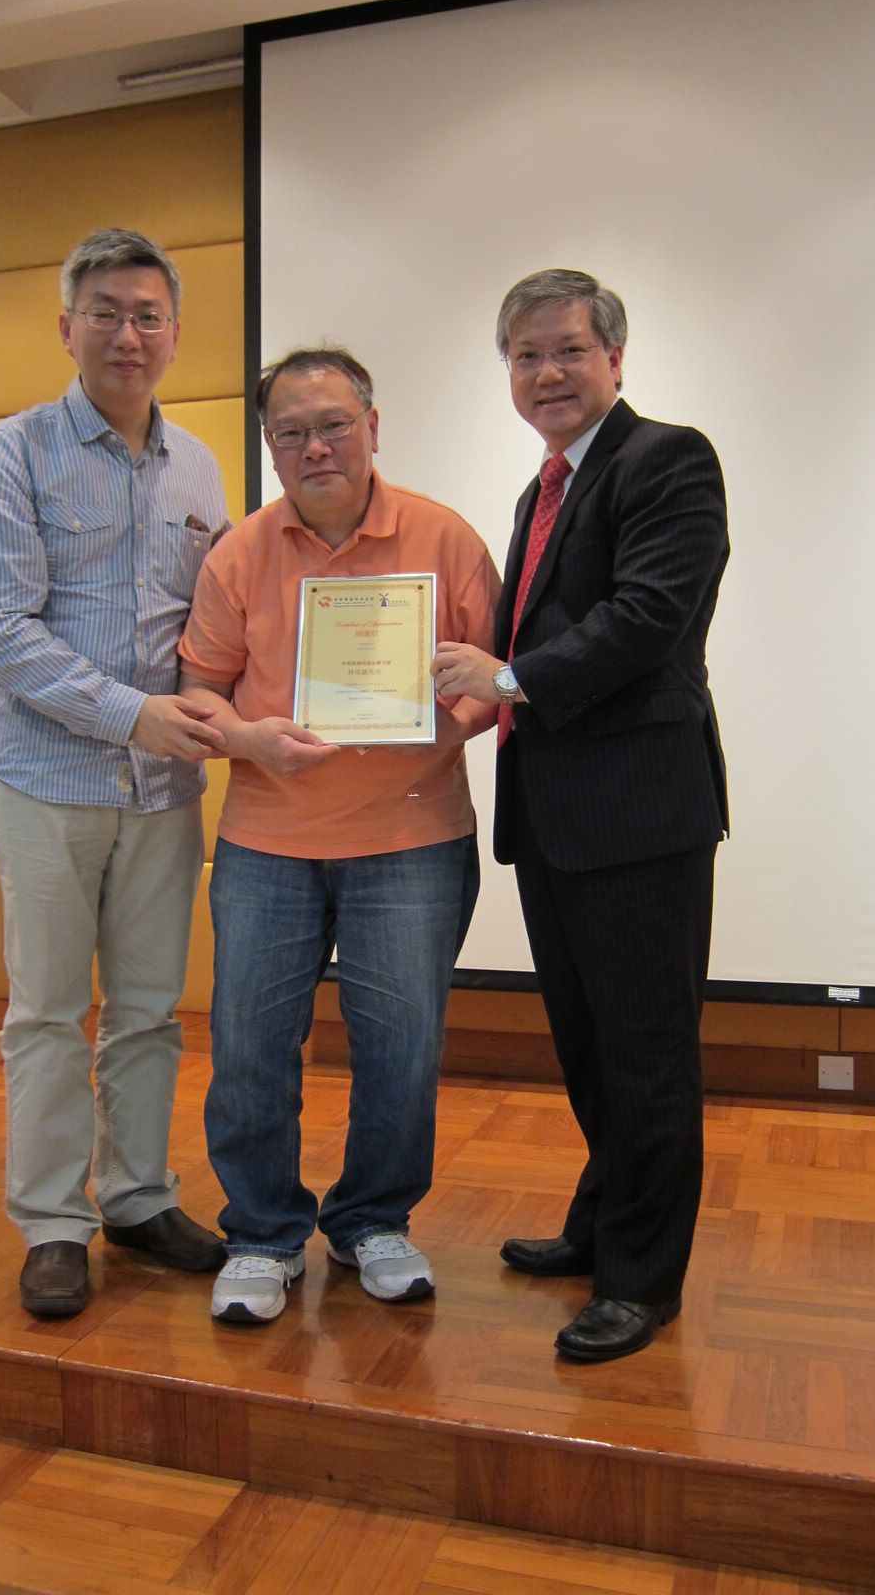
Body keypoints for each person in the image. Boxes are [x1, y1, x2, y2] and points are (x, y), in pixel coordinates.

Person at [431, 268, 729, 1362]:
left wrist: (507, 679)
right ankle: (604, 1224)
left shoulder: (668, 459)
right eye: (525, 356)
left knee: (648, 1053)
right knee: (591, 1044)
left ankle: (642, 1282)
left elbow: (647, 618)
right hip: (558, 814)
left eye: (567, 349)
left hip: (640, 814)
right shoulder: (543, 488)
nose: (546, 372)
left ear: (615, 357)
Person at [178, 347, 500, 1324]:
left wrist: (449, 719)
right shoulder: (239, 554)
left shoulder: (443, 537)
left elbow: (498, 675)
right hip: (266, 841)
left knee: (401, 1047)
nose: (314, 446)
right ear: (270, 446)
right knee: (249, 1046)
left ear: (372, 427)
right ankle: (264, 1232)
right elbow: (200, 688)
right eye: (291, 432)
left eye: (333, 425)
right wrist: (247, 741)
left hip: (411, 836)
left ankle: (373, 1220)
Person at [0, 227, 229, 1318]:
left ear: (175, 333)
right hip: (45, 783)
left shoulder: (199, 465)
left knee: (152, 1010)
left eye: (148, 315)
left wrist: (221, 715)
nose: (128, 334)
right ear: (66, 327)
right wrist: (133, 716)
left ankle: (137, 1197)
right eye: (106, 313)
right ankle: (53, 1223)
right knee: (48, 1011)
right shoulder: (16, 452)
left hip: (163, 793)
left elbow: (213, 623)